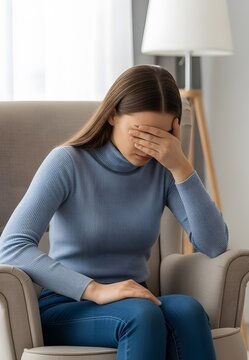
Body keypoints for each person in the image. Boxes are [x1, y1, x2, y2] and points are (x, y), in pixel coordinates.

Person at [0, 64, 229, 359]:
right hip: (68, 304)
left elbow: (213, 244)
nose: (149, 146)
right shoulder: (67, 162)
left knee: (188, 311)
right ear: (112, 115)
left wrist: (180, 166)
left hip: (137, 300)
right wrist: (94, 290)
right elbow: (11, 247)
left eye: (160, 136)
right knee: (141, 315)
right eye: (141, 132)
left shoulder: (163, 170)